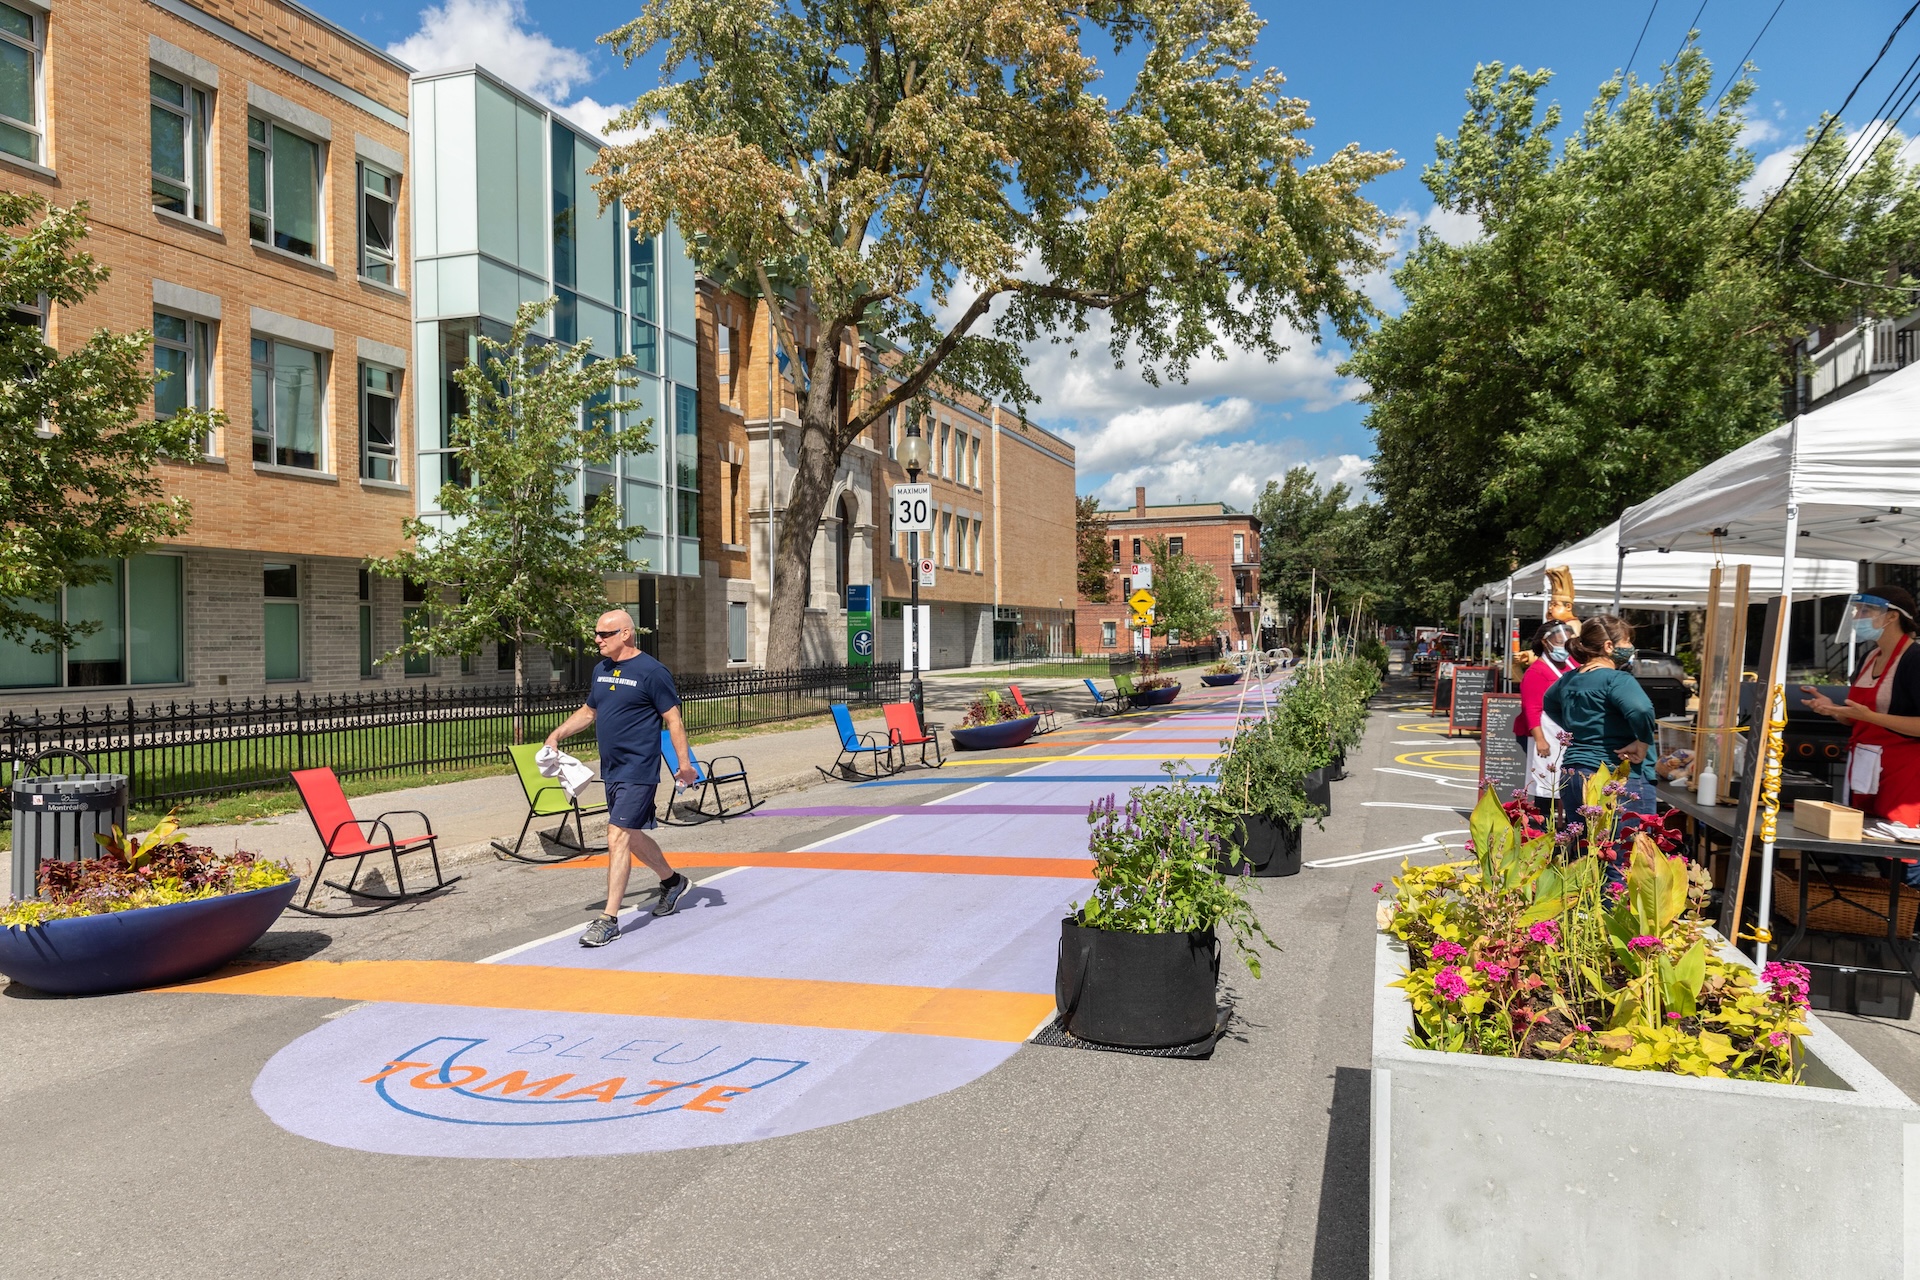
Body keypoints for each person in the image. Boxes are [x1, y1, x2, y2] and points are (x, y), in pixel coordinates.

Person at [544, 609, 699, 947]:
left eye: (605, 634)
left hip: (639, 769)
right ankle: (672, 882)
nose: (597, 640)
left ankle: (608, 919)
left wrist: (684, 764)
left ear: (626, 634)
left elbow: (673, 720)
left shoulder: (652, 672)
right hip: (611, 769)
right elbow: (590, 711)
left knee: (616, 835)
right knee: (631, 835)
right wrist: (557, 735)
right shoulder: (602, 669)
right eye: (596, 634)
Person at [1804, 587, 1920, 829]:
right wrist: (1834, 709)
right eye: (1856, 609)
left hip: (1905, 771)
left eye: (1865, 610)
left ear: (1892, 616)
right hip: (1867, 766)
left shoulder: (1914, 659)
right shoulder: (1868, 658)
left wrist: (1871, 717)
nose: (1857, 616)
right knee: (1869, 838)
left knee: (1900, 847)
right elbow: (1858, 718)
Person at [1544, 615, 1659, 823]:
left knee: (1583, 850)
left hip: (1573, 774)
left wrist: (1576, 729)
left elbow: (1549, 703)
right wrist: (1643, 742)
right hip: (1617, 775)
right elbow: (1641, 709)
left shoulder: (1570, 679)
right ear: (1608, 646)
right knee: (1625, 851)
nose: (1631, 646)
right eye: (1626, 641)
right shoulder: (1617, 679)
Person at [1517, 620, 1577, 809]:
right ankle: (1545, 823)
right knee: (1546, 779)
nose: (1564, 647)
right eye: (1560, 643)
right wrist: (1541, 740)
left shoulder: (1572, 663)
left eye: (1567, 642)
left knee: (1566, 779)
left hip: (1566, 731)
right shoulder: (1536, 672)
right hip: (1545, 733)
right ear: (1546, 642)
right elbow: (1531, 708)